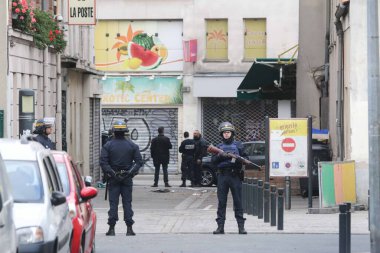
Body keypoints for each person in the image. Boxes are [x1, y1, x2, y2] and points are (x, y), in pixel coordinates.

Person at [100, 120, 143, 236]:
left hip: (113, 179)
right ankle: (129, 228)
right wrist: (130, 173)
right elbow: (139, 162)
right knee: (127, 203)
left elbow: (103, 162)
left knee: (113, 203)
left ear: (113, 131)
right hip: (127, 178)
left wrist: (112, 173)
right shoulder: (132, 145)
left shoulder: (108, 145)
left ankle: (112, 228)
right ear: (125, 131)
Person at [211, 122, 247, 235]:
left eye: (228, 132)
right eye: (224, 133)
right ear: (221, 134)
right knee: (222, 202)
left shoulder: (239, 145)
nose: (226, 134)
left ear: (232, 133)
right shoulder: (218, 147)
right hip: (222, 176)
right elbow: (213, 162)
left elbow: (246, 158)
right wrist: (220, 156)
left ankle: (241, 227)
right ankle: (220, 227)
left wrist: (237, 159)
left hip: (235, 176)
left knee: (238, 202)